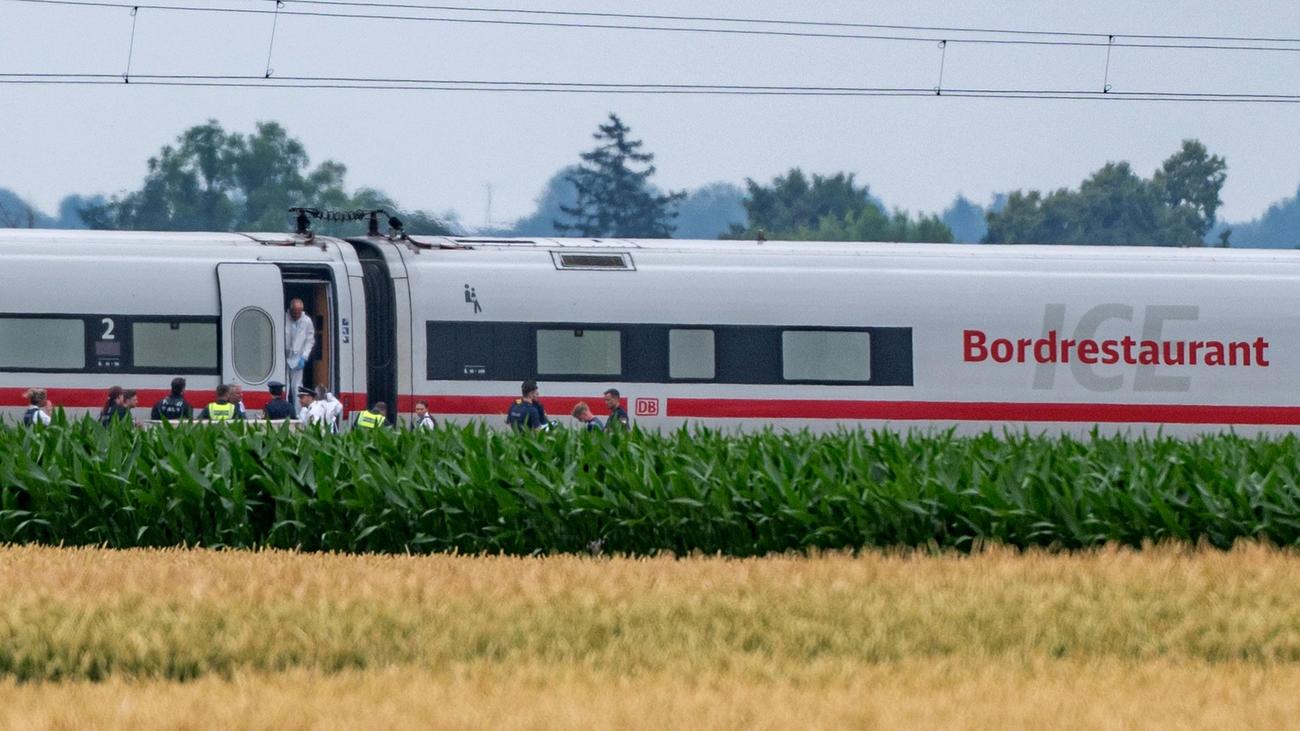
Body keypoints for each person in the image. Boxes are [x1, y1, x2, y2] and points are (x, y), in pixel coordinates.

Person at [285, 298, 316, 399]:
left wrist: (304, 357)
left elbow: (310, 341)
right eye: (294, 313)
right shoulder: (284, 318)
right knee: (285, 386)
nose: (296, 315)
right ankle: (284, 407)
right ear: (290, 310)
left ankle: (298, 409)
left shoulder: (307, 321)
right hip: (284, 357)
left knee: (296, 387)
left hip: (298, 358)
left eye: (298, 313)